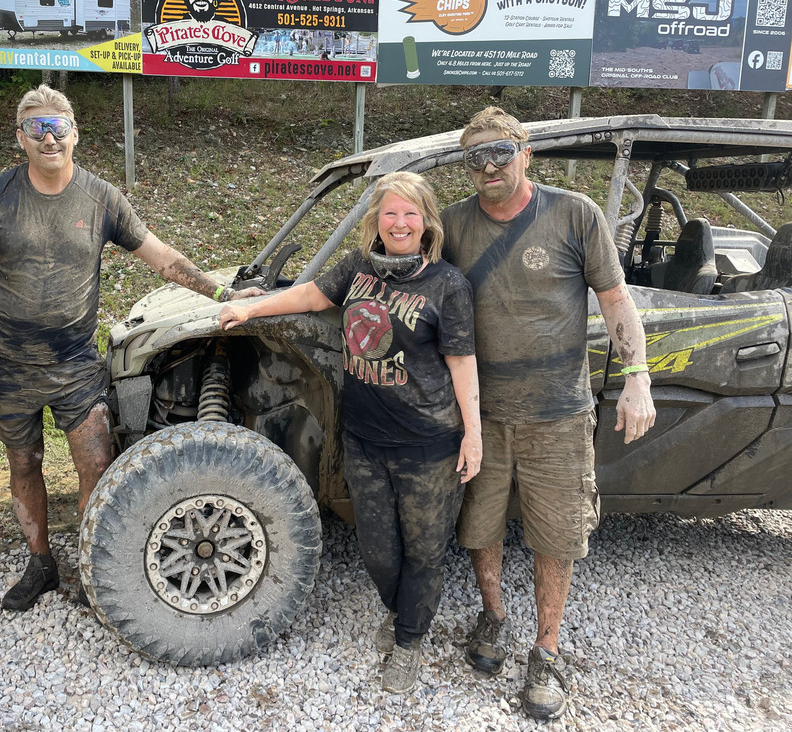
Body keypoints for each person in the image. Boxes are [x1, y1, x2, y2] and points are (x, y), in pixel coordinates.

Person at [0, 84, 262, 613]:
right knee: (25, 465)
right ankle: (40, 562)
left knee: (96, 463)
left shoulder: (102, 197)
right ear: (21, 138)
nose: (49, 138)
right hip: (7, 368)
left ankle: (90, 563)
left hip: (77, 366)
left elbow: (160, 256)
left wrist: (223, 292)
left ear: (75, 134)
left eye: (57, 127)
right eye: (36, 129)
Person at [220, 171, 482, 694]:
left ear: (427, 222)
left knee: (425, 551)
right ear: (376, 222)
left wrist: (472, 435)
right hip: (363, 438)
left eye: (410, 214)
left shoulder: (447, 285)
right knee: (378, 550)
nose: (400, 223)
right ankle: (399, 611)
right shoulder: (360, 268)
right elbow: (312, 297)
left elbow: (462, 362)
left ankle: (408, 641)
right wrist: (249, 306)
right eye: (390, 213)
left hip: (428, 444)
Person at [442, 107, 656, 720]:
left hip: (558, 412)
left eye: (499, 153)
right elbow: (403, 269)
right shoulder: (452, 225)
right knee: (479, 525)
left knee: (555, 532)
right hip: (480, 413)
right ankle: (494, 614)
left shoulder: (575, 214)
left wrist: (637, 376)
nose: (488, 167)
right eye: (475, 157)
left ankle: (547, 650)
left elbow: (616, 301)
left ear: (524, 153)